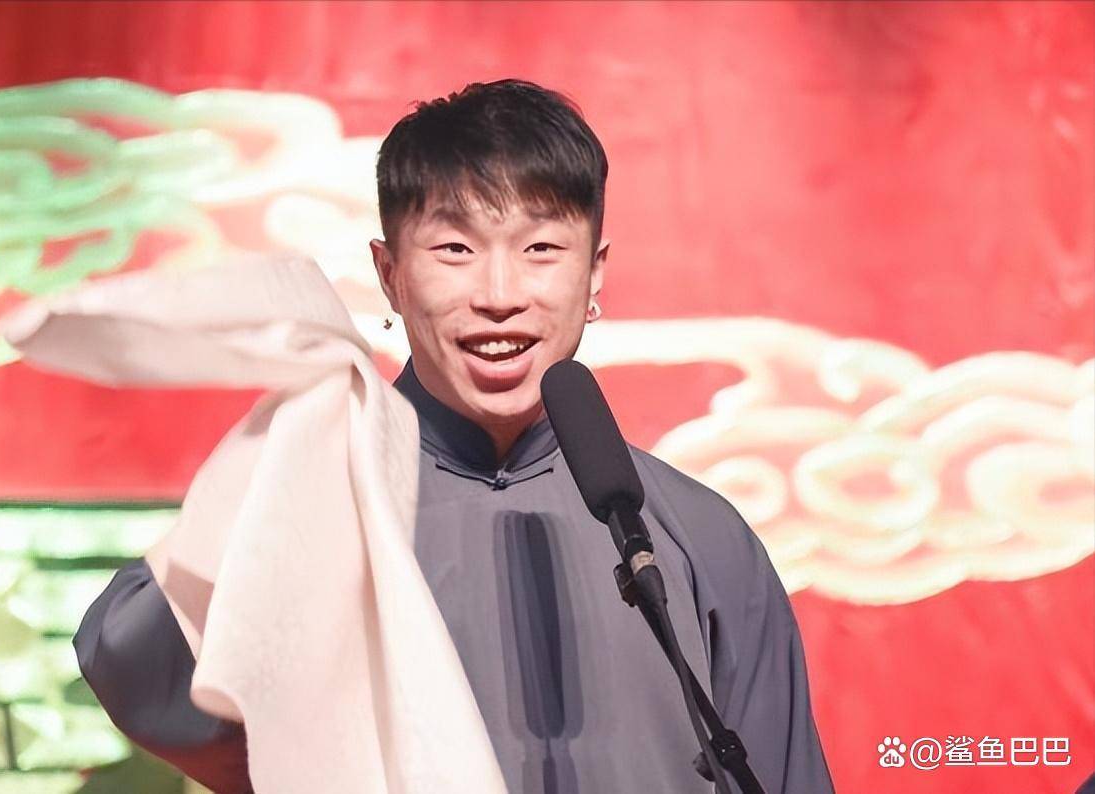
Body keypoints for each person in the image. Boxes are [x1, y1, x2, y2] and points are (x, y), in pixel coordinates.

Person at [74, 79, 834, 794]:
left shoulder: (695, 534)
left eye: (541, 250)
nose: (500, 296)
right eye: (454, 250)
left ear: (595, 275)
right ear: (390, 274)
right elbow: (129, 658)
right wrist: (275, 462)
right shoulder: (314, 499)